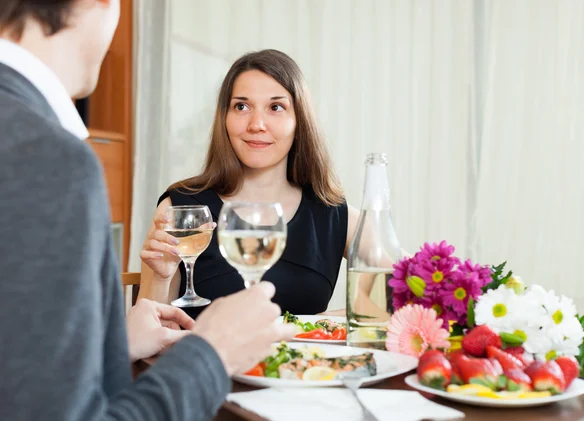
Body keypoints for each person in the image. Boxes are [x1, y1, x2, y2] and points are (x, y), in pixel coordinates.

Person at [0, 1, 294, 420]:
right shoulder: (47, 157)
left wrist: (115, 342)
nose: (256, 123)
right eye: (241, 106)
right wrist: (210, 353)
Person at [139, 49, 362, 319]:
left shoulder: (332, 212)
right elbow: (147, 342)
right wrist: (161, 279)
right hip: (210, 361)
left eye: (276, 107)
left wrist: (310, 325)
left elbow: (410, 291)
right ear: (225, 118)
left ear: (299, 121)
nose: (256, 124)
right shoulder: (180, 208)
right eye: (241, 106)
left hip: (305, 362)